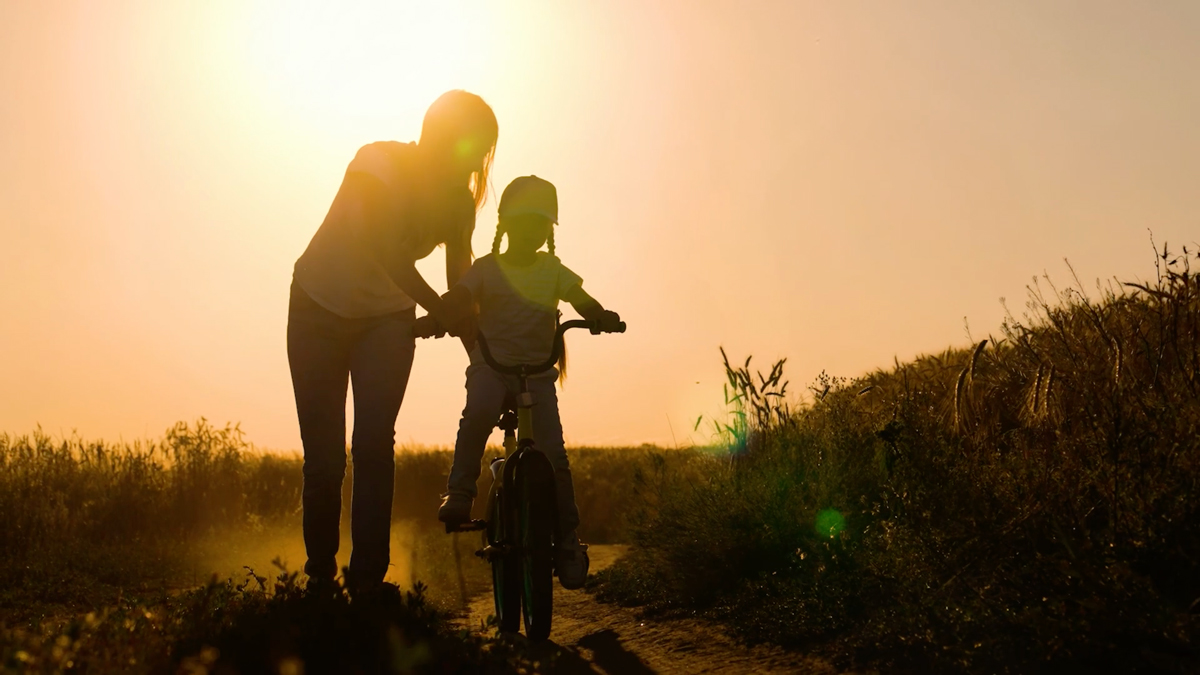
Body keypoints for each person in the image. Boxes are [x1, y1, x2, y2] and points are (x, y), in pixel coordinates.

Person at [288, 90, 497, 591]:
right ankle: (320, 577)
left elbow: (459, 282)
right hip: (317, 306)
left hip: (386, 319)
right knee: (324, 459)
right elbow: (381, 245)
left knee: (375, 446)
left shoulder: (457, 204)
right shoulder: (376, 162)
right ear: (441, 136)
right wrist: (437, 305)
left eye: (482, 150)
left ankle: (366, 579)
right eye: (470, 145)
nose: (474, 160)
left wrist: (486, 360)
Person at [424, 175, 622, 590]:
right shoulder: (486, 269)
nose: (533, 231)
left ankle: (567, 540)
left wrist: (599, 315)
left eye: (541, 225)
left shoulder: (553, 271)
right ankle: (460, 492)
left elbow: (580, 299)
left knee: (555, 457)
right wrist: (440, 314)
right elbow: (461, 296)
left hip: (537, 373)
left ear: (548, 231)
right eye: (525, 222)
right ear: (506, 224)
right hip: (491, 366)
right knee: (477, 412)